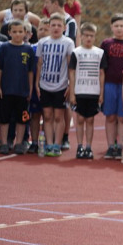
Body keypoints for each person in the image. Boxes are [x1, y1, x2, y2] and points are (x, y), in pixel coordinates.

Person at [0, 18, 35, 155]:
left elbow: (30, 71)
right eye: (14, 31)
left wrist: (29, 89)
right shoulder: (4, 48)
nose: (17, 34)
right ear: (9, 32)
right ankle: (4, 142)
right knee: (4, 118)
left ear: (25, 33)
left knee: (21, 119)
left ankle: (18, 143)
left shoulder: (28, 49)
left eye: (20, 31)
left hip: (22, 91)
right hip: (6, 90)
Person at [34, 14, 74, 157]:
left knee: (59, 116)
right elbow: (39, 64)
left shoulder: (68, 42)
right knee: (47, 115)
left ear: (64, 27)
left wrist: (70, 84)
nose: (56, 28)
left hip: (61, 85)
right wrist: (37, 84)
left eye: (59, 25)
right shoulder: (42, 43)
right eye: (53, 25)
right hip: (45, 85)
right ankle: (49, 144)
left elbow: (70, 65)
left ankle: (57, 144)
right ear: (49, 26)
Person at [68, 22, 107, 160]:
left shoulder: (100, 53)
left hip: (93, 92)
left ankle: (89, 147)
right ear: (81, 36)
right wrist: (72, 93)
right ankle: (79, 147)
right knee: (79, 119)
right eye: (86, 35)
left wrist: (101, 93)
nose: (89, 38)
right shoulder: (76, 52)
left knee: (90, 120)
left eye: (92, 36)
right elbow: (71, 74)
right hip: (80, 91)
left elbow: (102, 74)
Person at [100, 15, 123, 159]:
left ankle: (121, 146)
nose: (119, 29)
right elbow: (102, 68)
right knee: (110, 117)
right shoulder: (106, 44)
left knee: (122, 117)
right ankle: (110, 146)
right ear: (112, 27)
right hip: (109, 84)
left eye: (122, 26)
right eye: (116, 26)